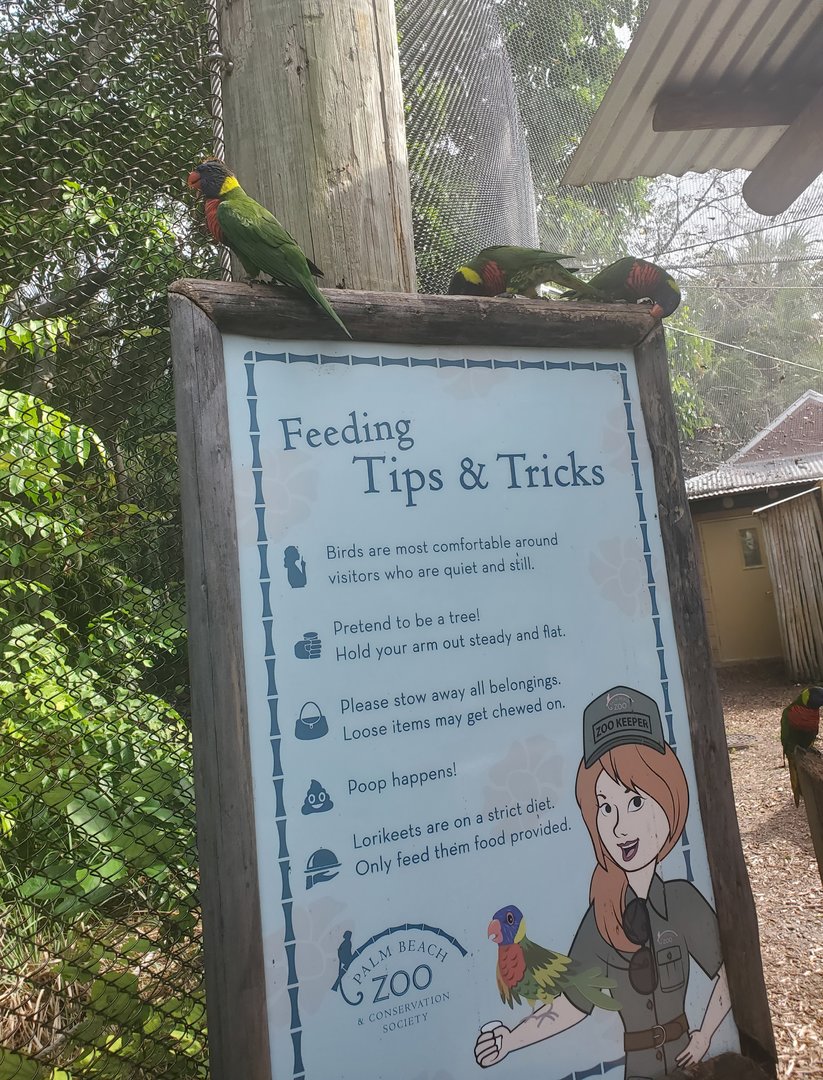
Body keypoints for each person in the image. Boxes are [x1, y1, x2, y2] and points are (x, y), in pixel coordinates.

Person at [475, 686, 731, 1079]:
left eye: (636, 801)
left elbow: (727, 971)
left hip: (691, 1064)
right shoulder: (603, 919)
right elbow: (571, 1005)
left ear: (671, 801)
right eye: (606, 807)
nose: (620, 826)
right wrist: (510, 1040)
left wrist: (705, 1036)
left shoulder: (681, 900)